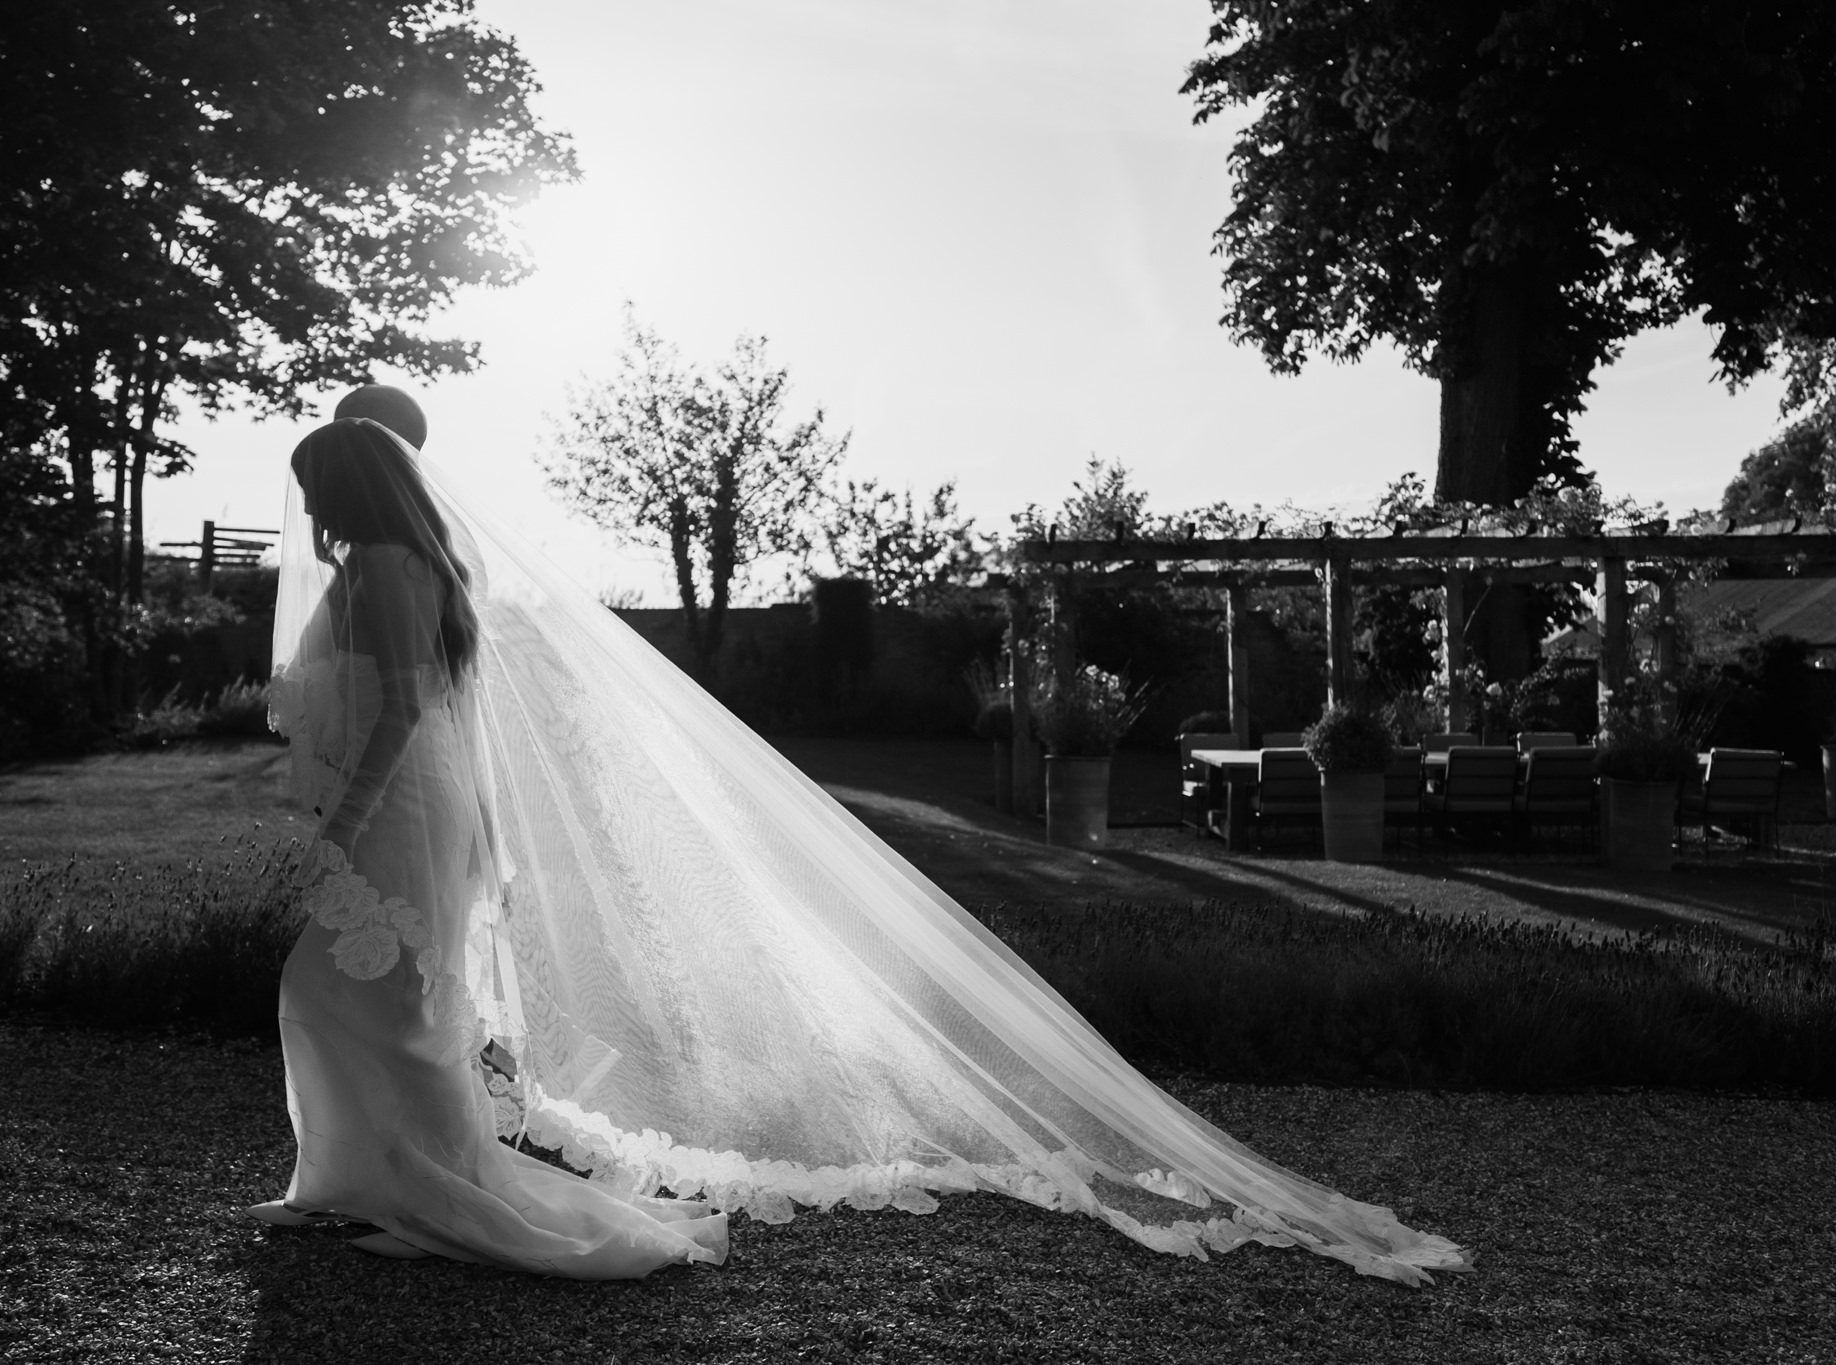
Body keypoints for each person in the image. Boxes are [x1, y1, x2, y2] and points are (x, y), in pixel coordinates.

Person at [249, 392, 1469, 1284]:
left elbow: (411, 712)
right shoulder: (394, 562)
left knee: (356, 995)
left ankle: (424, 1190)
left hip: (395, 815)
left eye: (313, 484)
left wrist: (341, 831)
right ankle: (370, 1182)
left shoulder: (394, 571)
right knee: (388, 1000)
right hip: (413, 812)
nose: (302, 503)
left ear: (349, 487)